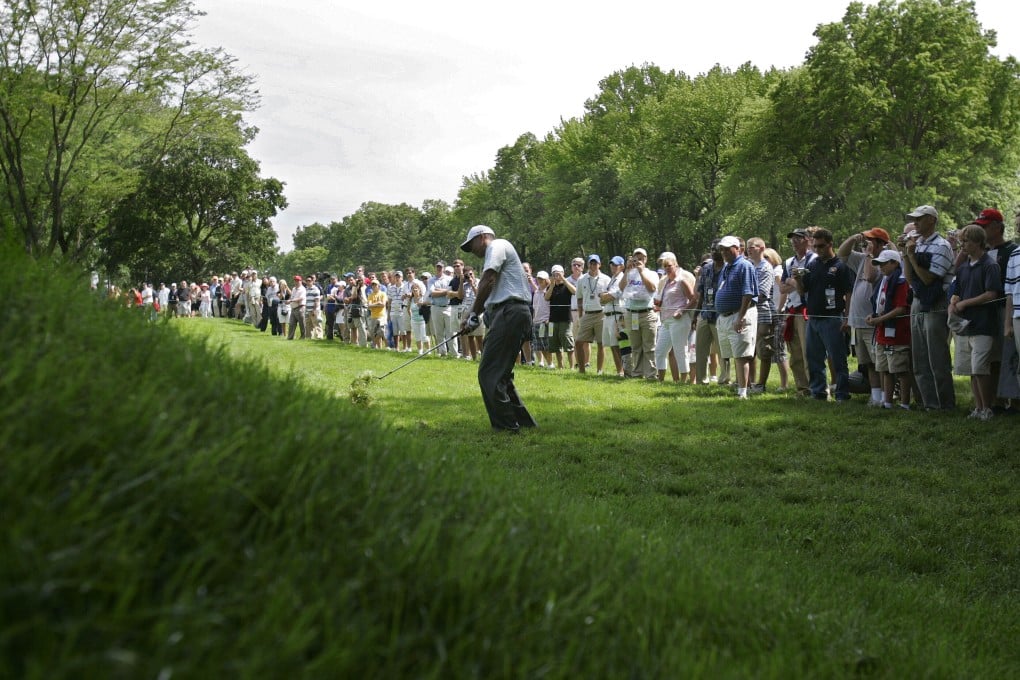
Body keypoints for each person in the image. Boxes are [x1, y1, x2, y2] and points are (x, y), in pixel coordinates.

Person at [459, 224, 536, 432]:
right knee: (501, 374)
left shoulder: (498, 245)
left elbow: (488, 279)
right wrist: (473, 317)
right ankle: (524, 423)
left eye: (471, 244)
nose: (472, 250)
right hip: (508, 313)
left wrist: (473, 314)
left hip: (510, 313)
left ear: (483, 237)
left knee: (489, 372)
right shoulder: (495, 254)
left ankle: (506, 428)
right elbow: (492, 293)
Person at [899, 204, 956, 411]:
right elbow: (909, 278)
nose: (915, 222)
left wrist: (912, 256)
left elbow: (929, 278)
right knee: (920, 358)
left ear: (932, 220)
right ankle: (928, 403)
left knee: (937, 357)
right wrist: (905, 254)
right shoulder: (918, 244)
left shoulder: (941, 246)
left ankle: (945, 404)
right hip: (917, 301)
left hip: (935, 302)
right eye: (914, 218)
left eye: (919, 218)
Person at [949, 224, 1002, 420]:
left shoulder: (990, 265)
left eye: (966, 241)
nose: (962, 245)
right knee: (972, 369)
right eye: (961, 241)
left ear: (978, 242)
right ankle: (978, 408)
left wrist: (965, 303)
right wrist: (954, 301)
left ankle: (988, 408)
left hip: (984, 325)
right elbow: (957, 291)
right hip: (966, 326)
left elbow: (991, 294)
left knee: (981, 368)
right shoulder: (963, 268)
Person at [794, 228, 853, 402]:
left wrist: (847, 317)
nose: (818, 250)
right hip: (813, 318)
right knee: (813, 357)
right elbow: (803, 290)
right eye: (815, 246)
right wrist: (797, 279)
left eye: (821, 246)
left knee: (837, 358)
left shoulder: (840, 266)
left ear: (830, 244)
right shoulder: (812, 265)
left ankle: (842, 393)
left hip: (833, 317)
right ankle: (818, 392)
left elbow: (849, 293)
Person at [837, 228, 891, 405]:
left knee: (880, 364)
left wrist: (868, 255)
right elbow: (841, 253)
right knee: (867, 363)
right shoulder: (861, 258)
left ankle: (886, 396)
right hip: (858, 321)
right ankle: (875, 396)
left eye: (871, 240)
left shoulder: (884, 261)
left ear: (881, 244)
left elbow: (869, 276)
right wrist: (853, 238)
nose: (866, 243)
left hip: (872, 322)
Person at [714, 236, 758, 398]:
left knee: (742, 355)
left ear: (738, 248)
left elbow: (748, 293)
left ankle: (743, 392)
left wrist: (740, 317)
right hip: (725, 316)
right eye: (722, 249)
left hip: (739, 314)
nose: (724, 252)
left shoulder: (744, 266)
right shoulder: (728, 267)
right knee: (733, 353)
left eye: (727, 249)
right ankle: (739, 386)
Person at [779, 228, 817, 396]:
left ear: (807, 240)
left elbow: (807, 288)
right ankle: (802, 388)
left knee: (808, 351)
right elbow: (781, 288)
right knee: (795, 353)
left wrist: (793, 283)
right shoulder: (788, 262)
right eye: (792, 239)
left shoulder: (814, 260)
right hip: (792, 310)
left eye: (798, 238)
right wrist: (794, 282)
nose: (794, 241)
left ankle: (816, 387)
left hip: (806, 311)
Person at [653, 251, 696, 383]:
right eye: (665, 266)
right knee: (660, 350)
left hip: (679, 320)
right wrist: (658, 307)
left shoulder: (682, 280)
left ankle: (683, 380)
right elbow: (662, 300)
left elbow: (694, 300)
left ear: (676, 265)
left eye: (669, 265)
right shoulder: (664, 282)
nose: (667, 268)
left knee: (679, 350)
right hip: (665, 320)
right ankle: (660, 379)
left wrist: (682, 311)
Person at [619, 248, 660, 379]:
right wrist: (626, 270)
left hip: (647, 313)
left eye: (641, 258)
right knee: (636, 346)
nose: (639, 260)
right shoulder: (629, 273)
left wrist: (641, 271)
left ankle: (651, 374)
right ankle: (637, 373)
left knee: (649, 346)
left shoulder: (651, 273)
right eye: (636, 258)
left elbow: (652, 288)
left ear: (646, 259)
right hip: (632, 314)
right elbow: (621, 288)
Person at [575, 254, 611, 374]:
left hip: (602, 314)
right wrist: (580, 315)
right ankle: (581, 370)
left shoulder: (606, 279)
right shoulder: (582, 279)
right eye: (591, 263)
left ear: (599, 264)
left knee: (601, 344)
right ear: (588, 264)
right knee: (579, 342)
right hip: (587, 314)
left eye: (595, 263)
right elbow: (579, 298)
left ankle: (599, 370)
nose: (593, 265)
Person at [545, 264, 575, 370]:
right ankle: (560, 366)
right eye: (554, 274)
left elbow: (574, 291)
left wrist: (564, 280)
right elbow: (546, 298)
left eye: (559, 273)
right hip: (553, 319)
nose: (557, 275)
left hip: (565, 319)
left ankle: (572, 367)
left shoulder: (567, 285)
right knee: (555, 343)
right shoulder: (550, 287)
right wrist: (552, 285)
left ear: (563, 273)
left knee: (568, 342)